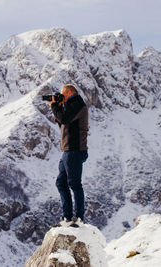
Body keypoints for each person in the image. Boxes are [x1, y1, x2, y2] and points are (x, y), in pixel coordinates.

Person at [49, 84, 89, 225]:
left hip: (75, 150)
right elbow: (63, 125)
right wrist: (59, 107)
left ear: (70, 92)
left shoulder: (78, 104)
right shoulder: (70, 106)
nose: (61, 97)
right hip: (68, 151)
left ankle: (79, 218)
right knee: (61, 183)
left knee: (74, 184)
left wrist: (54, 106)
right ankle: (67, 217)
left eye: (63, 94)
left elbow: (64, 119)